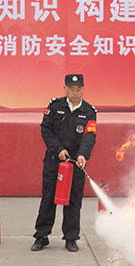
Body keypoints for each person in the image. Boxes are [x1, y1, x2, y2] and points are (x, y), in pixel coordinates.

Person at [32, 74, 97, 253]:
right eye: (71, 89)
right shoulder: (55, 107)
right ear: (65, 89)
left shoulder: (89, 111)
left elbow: (90, 135)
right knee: (48, 198)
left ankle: (71, 238)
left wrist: (84, 154)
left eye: (78, 89)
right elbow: (46, 129)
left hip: (76, 163)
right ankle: (41, 236)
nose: (75, 93)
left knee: (73, 201)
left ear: (83, 89)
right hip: (54, 160)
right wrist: (58, 149)